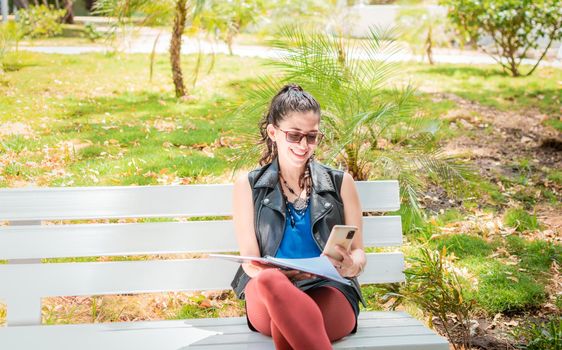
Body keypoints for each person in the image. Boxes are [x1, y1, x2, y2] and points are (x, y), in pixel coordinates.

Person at [230, 83, 367, 349]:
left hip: (328, 290)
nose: (304, 145)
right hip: (268, 290)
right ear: (273, 132)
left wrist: (353, 266)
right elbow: (249, 262)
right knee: (272, 281)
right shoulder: (247, 186)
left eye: (312, 136)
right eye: (294, 135)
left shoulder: (341, 183)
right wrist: (285, 275)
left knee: (291, 325)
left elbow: (359, 251)